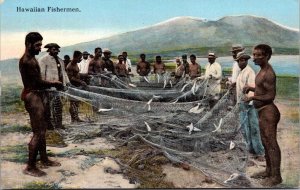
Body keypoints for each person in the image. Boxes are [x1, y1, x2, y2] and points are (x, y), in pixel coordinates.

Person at [19, 32, 62, 177]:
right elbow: (37, 83)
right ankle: (30, 167)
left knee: (42, 129)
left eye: (41, 45)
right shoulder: (27, 61)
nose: (40, 48)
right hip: (32, 97)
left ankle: (44, 159)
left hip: (36, 94)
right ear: (29, 44)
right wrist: (53, 83)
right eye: (37, 45)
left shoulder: (32, 58)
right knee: (38, 132)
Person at [243, 44, 282, 186]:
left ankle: (276, 177)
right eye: (254, 54)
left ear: (267, 56)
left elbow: (270, 95)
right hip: (262, 111)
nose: (255, 57)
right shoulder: (262, 71)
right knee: (265, 142)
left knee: (271, 144)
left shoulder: (269, 73)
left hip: (268, 111)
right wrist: (251, 88)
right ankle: (268, 171)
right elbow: (261, 88)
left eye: (258, 55)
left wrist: (253, 98)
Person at [235, 51, 265, 161]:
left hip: (249, 104)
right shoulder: (241, 72)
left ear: (246, 61)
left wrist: (249, 100)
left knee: (254, 127)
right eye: (239, 60)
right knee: (244, 128)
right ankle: (249, 149)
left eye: (243, 60)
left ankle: (260, 152)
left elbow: (253, 88)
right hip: (242, 103)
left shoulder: (250, 72)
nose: (241, 62)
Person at [38, 43, 70, 130]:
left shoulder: (60, 60)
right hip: (49, 88)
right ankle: (49, 125)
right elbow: (41, 75)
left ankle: (59, 124)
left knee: (58, 106)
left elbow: (63, 72)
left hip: (59, 87)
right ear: (49, 50)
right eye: (53, 49)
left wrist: (67, 82)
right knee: (48, 107)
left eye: (57, 49)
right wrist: (45, 85)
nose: (56, 51)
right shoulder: (43, 60)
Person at [66, 51, 87, 123]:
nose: (80, 59)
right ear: (75, 57)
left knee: (76, 102)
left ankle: (76, 117)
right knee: (73, 102)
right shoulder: (70, 65)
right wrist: (81, 81)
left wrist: (85, 75)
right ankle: (73, 119)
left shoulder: (75, 64)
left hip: (77, 86)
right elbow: (70, 77)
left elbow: (77, 74)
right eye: (79, 58)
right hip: (72, 86)